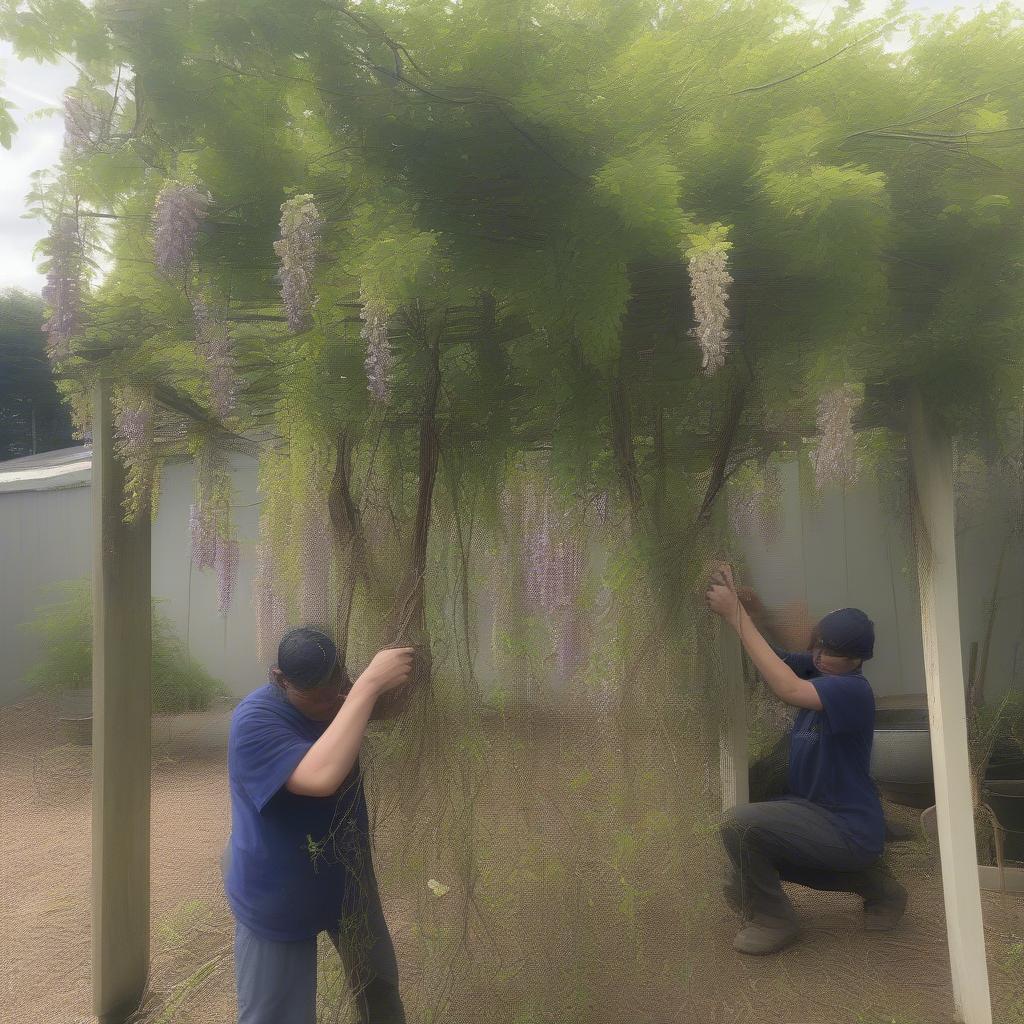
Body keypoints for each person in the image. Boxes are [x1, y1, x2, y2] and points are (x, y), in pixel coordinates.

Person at [706, 566, 907, 955]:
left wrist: (736, 616)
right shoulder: (823, 666)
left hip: (846, 827)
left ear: (856, 659)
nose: (819, 656)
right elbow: (777, 662)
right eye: (818, 647)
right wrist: (754, 614)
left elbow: (787, 686)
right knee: (742, 870)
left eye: (831, 651)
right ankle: (877, 885)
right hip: (816, 816)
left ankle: (774, 919)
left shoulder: (852, 691)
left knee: (741, 826)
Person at [223, 626, 415, 1023]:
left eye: (337, 687)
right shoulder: (254, 722)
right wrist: (367, 686)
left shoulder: (338, 698)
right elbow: (320, 776)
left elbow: (391, 706)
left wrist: (401, 672)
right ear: (281, 680)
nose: (331, 702)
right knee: (277, 1016)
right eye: (316, 696)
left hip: (346, 882)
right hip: (279, 893)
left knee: (380, 994)